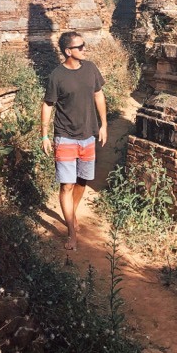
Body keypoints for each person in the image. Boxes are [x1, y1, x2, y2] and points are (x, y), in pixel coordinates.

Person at [41, 31, 107, 250]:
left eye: (84, 45)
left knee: (82, 181)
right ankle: (71, 230)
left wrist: (104, 124)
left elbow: (98, 95)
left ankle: (72, 215)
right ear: (68, 51)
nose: (84, 49)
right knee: (66, 185)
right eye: (80, 47)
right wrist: (44, 135)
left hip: (88, 134)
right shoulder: (56, 76)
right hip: (65, 136)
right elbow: (48, 105)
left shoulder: (91, 69)